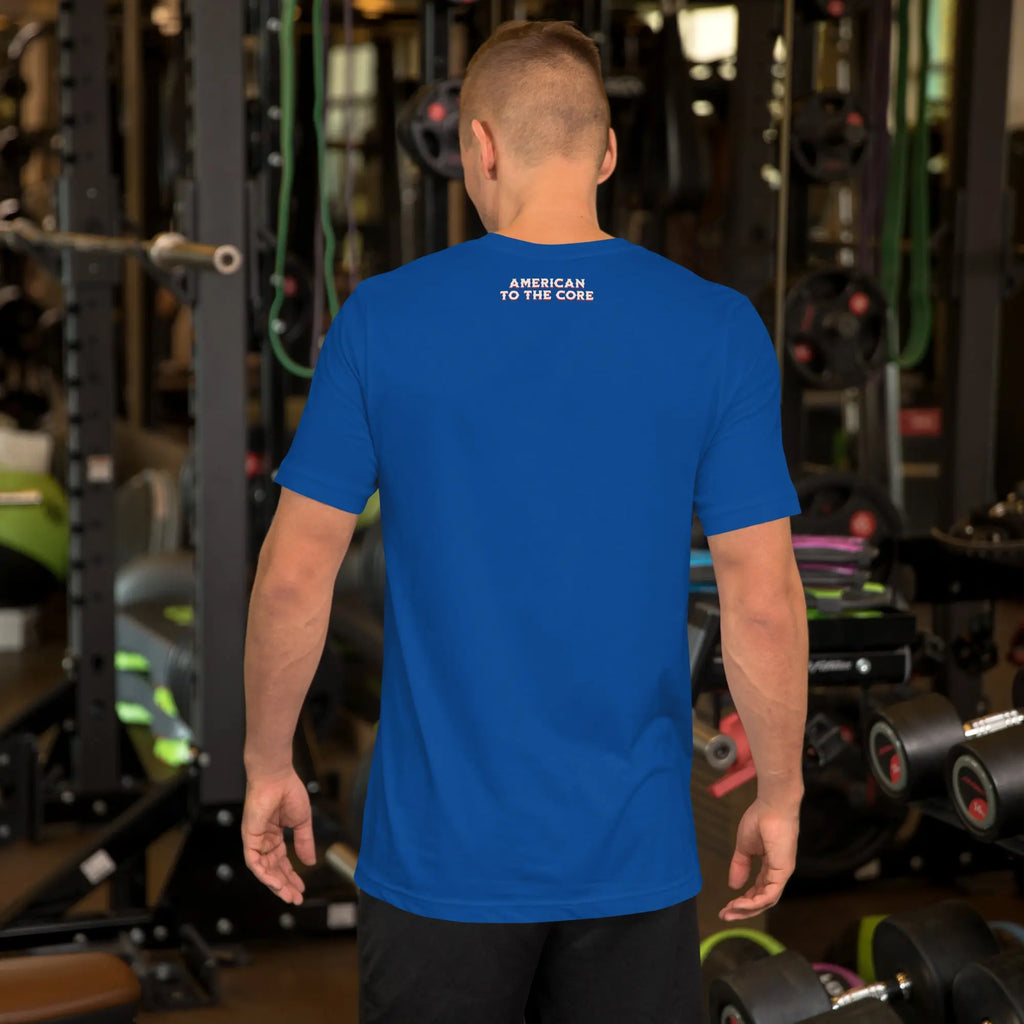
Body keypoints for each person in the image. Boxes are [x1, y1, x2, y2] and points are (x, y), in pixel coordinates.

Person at [241, 20, 808, 1024]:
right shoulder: (714, 326)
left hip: (438, 861)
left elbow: (293, 577)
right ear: (607, 152)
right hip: (632, 858)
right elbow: (759, 595)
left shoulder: (383, 318)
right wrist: (782, 790)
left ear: (478, 146)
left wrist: (268, 763)